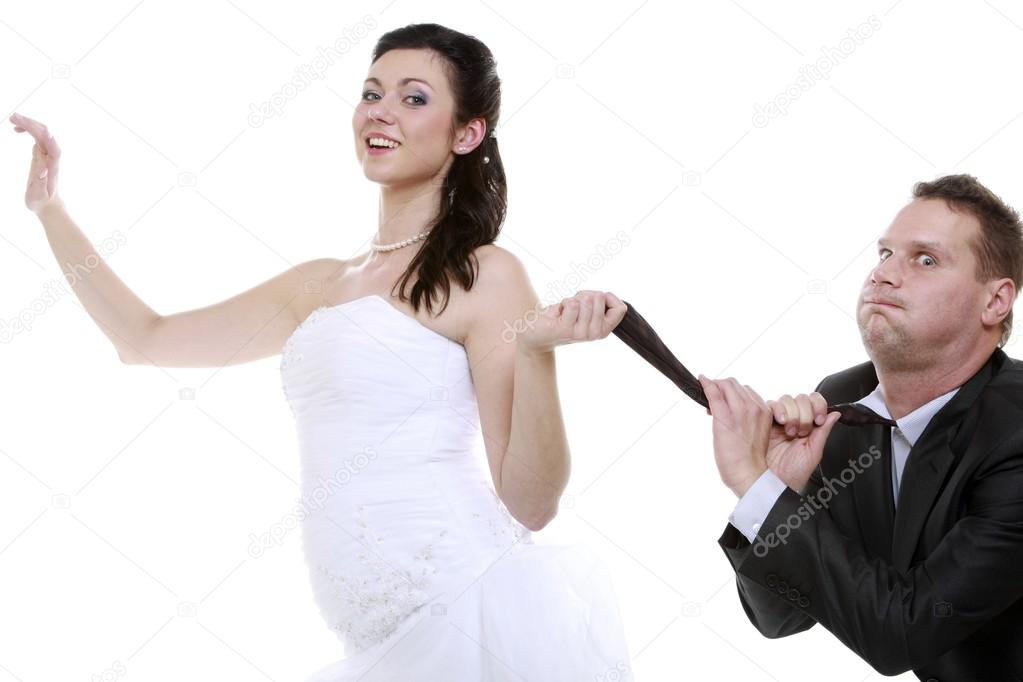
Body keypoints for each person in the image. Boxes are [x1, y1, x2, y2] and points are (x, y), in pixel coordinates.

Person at [11, 22, 634, 682]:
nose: (381, 111)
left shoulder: (485, 275)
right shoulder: (316, 285)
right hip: (372, 646)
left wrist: (536, 352)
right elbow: (144, 339)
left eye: (414, 97)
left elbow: (531, 503)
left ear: (467, 133)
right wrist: (50, 212)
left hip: (463, 613)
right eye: (371, 92)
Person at [698, 174, 1023, 680]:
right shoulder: (843, 402)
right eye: (884, 254)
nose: (885, 275)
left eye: (926, 259)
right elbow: (781, 616)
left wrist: (754, 484)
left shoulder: (1018, 431)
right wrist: (783, 488)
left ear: (995, 301)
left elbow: (904, 633)